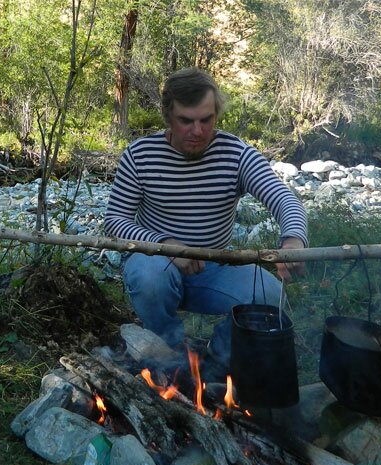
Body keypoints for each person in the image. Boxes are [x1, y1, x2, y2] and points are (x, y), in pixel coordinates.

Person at [104, 67, 307, 379]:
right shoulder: (140, 154)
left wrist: (292, 240)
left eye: (206, 120)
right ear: (168, 116)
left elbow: (284, 198)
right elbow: (115, 221)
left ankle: (216, 355)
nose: (197, 130)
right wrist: (167, 247)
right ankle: (167, 354)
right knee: (150, 275)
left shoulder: (236, 154)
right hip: (154, 264)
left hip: (212, 268)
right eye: (186, 120)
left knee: (270, 295)